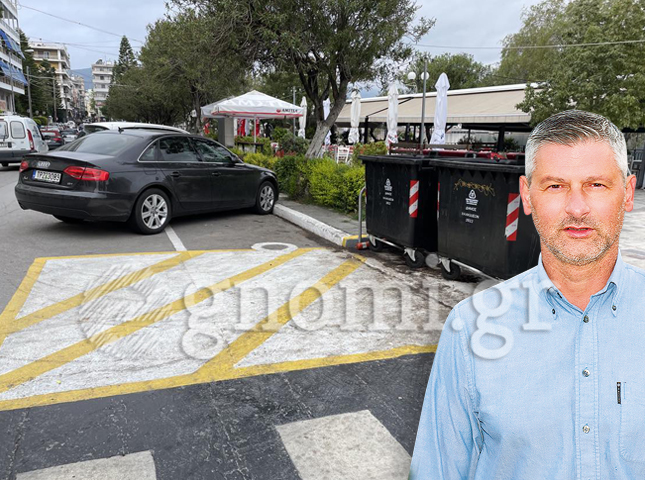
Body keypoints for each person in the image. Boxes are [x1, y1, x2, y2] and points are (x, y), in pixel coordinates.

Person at [409, 110, 642, 479]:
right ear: (527, 196)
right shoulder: (471, 329)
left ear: (627, 193)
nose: (577, 208)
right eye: (556, 186)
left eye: (596, 184)